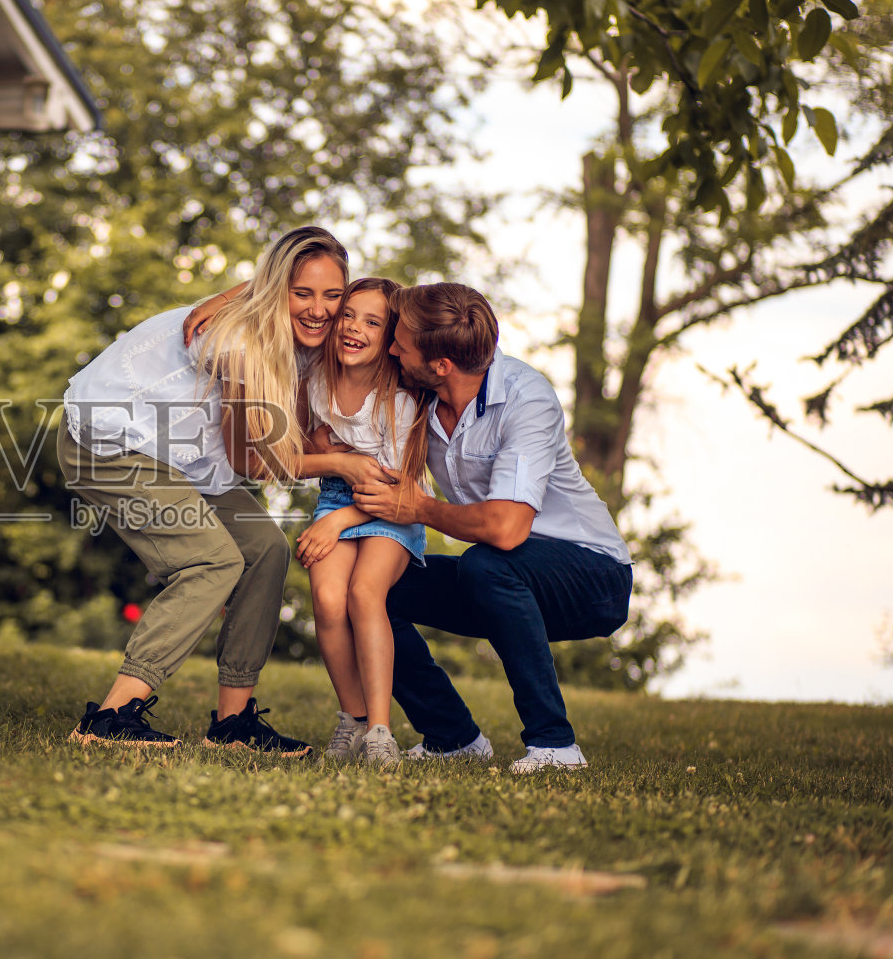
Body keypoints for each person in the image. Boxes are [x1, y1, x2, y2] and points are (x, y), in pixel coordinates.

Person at [58, 226, 350, 754]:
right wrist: (342, 464)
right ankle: (109, 717)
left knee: (265, 550)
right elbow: (249, 460)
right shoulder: (239, 344)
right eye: (302, 293)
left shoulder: (299, 335)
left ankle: (232, 726)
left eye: (332, 295)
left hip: (180, 456)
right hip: (110, 442)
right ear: (275, 288)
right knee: (212, 560)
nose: (319, 309)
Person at [351, 282, 633, 774]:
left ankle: (555, 747)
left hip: (594, 575)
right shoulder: (418, 395)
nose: (392, 347)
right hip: (505, 577)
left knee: (487, 565)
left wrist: (418, 508)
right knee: (377, 589)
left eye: (402, 342)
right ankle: (452, 737)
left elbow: (506, 530)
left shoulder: (528, 400)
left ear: (441, 365)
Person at [292, 277, 431, 766]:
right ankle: (350, 719)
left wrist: (335, 524)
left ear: (391, 337)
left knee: (363, 593)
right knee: (328, 599)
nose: (353, 327)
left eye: (372, 322)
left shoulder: (398, 400)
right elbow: (299, 448)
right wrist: (326, 453)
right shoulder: (315, 379)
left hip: (394, 505)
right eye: (348, 314)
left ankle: (379, 731)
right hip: (337, 494)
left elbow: (396, 488)